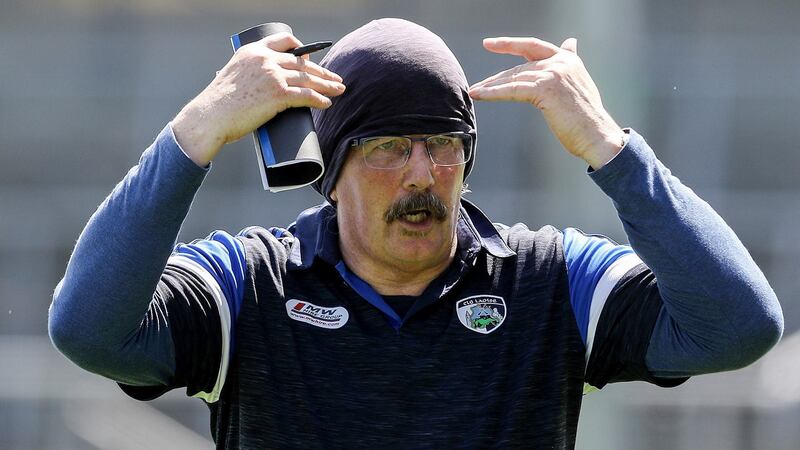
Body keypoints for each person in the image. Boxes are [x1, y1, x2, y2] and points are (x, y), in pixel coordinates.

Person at [48, 18, 783, 449]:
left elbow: (739, 328)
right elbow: (89, 331)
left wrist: (607, 147)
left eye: (443, 145)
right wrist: (197, 131)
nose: (422, 175)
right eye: (387, 148)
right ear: (332, 172)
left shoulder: (548, 278)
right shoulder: (251, 282)